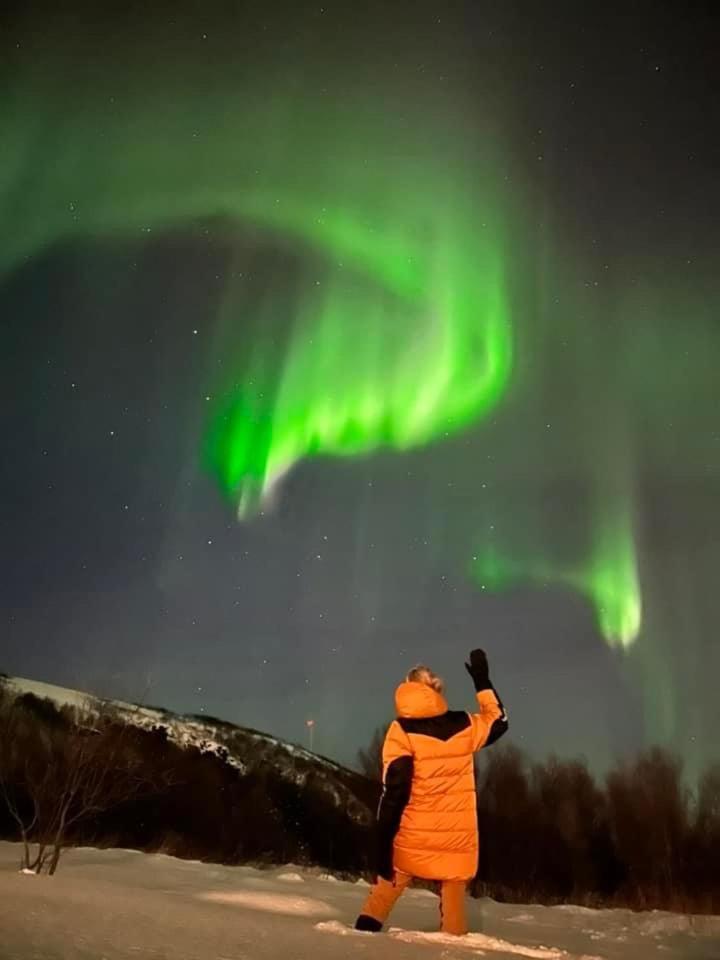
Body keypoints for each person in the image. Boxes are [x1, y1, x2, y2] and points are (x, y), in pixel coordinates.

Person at [355, 649, 508, 936]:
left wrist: (381, 841)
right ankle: (455, 949)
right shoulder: (464, 724)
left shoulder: (400, 731)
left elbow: (395, 791)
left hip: (411, 837)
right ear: (436, 689)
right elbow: (499, 722)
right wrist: (482, 683)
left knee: (382, 895)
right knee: (453, 914)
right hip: (455, 841)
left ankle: (358, 941)